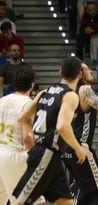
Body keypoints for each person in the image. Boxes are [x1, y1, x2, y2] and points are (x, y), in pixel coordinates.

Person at [11, 56, 91, 204]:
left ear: (60, 73)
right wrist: (78, 148)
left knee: (65, 201)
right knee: (19, 201)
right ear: (79, 75)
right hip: (46, 154)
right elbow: (62, 126)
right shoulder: (70, 95)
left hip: (51, 156)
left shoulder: (45, 92)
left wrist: (35, 136)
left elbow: (22, 117)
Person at [61, 64, 98, 204]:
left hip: (66, 148)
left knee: (87, 190)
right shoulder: (84, 89)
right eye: (87, 69)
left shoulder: (68, 92)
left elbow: (96, 114)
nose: (91, 71)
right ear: (80, 74)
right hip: (80, 147)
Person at [0, 68, 45, 205]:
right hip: (14, 155)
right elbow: (27, 138)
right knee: (36, 201)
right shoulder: (28, 104)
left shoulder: (2, 100)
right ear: (32, 84)